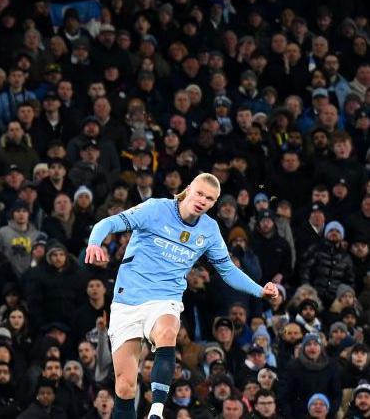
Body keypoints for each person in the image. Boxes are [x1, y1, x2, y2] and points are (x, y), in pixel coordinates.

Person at [84, 173, 279, 419]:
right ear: (188, 190)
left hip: (166, 298)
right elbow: (111, 223)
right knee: (124, 385)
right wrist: (94, 242)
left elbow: (227, 269)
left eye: (210, 199)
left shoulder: (209, 229)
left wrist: (260, 290)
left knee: (167, 332)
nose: (203, 201)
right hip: (128, 300)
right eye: (200, 193)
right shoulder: (155, 209)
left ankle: (156, 411)